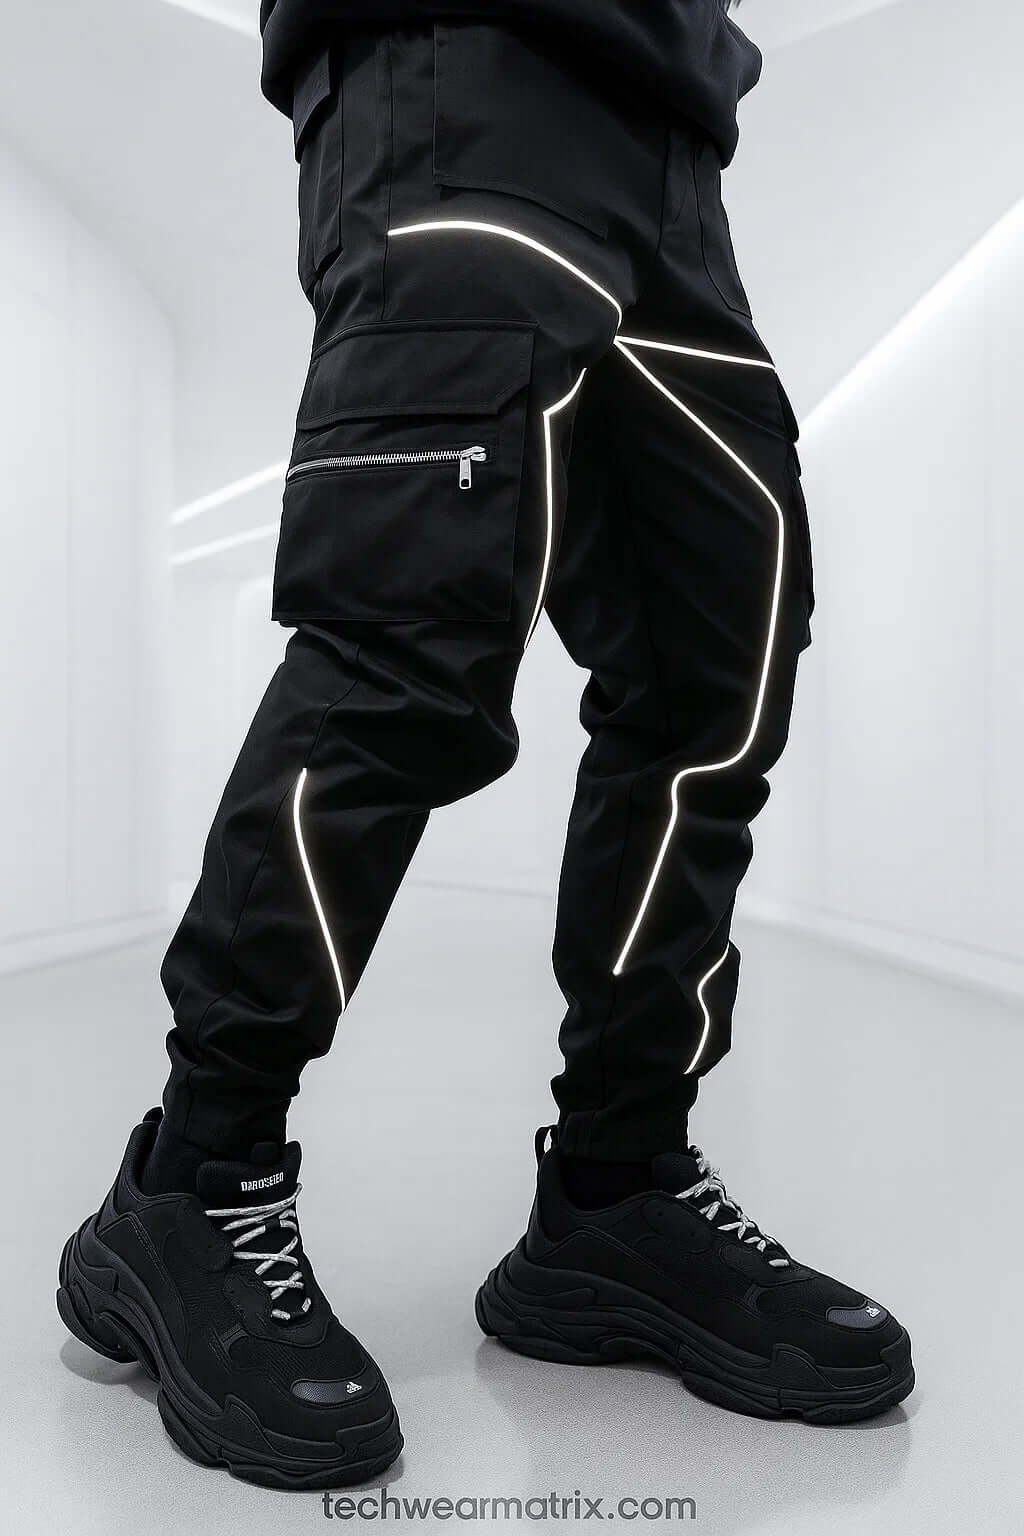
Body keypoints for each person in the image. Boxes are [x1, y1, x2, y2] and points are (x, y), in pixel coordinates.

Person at [56, 0, 914, 1490]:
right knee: (403, 651)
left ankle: (615, 1191)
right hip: (456, 76)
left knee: (714, 687)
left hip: (675, 156)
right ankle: (194, 1184)